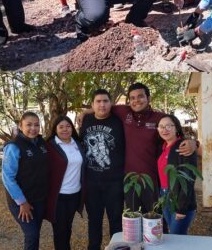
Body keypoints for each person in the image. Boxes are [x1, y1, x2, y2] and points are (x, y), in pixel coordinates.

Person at [79, 83, 197, 214]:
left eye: (140, 96)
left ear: (148, 98)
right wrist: (85, 112)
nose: (136, 101)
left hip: (152, 180)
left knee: (155, 220)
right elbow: (103, 107)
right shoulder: (124, 112)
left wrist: (192, 142)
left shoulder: (159, 117)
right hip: (130, 180)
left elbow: (176, 132)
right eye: (133, 98)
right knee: (133, 219)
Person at [80, 89, 125, 250]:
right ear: (92, 104)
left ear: (110, 103)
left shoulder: (119, 120)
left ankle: (117, 247)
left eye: (105, 101)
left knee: (116, 220)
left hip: (114, 182)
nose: (102, 104)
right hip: (92, 183)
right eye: (98, 101)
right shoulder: (85, 120)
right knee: (94, 220)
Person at [2, 112, 49, 250]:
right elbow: (7, 178)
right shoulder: (13, 146)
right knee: (32, 234)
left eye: (36, 125)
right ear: (20, 126)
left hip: (39, 198)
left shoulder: (41, 142)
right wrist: (22, 202)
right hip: (21, 202)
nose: (33, 128)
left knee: (35, 234)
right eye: (28, 125)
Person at [45, 115, 85, 250]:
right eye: (61, 127)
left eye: (68, 126)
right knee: (60, 231)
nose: (65, 130)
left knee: (68, 228)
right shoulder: (49, 146)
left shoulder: (77, 144)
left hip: (75, 195)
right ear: (55, 129)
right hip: (59, 197)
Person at [157, 114, 198, 234]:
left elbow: (188, 179)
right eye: (161, 126)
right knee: (177, 237)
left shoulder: (184, 146)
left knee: (176, 236)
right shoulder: (164, 147)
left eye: (169, 126)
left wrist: (182, 208)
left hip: (179, 199)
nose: (165, 130)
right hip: (165, 196)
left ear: (176, 128)